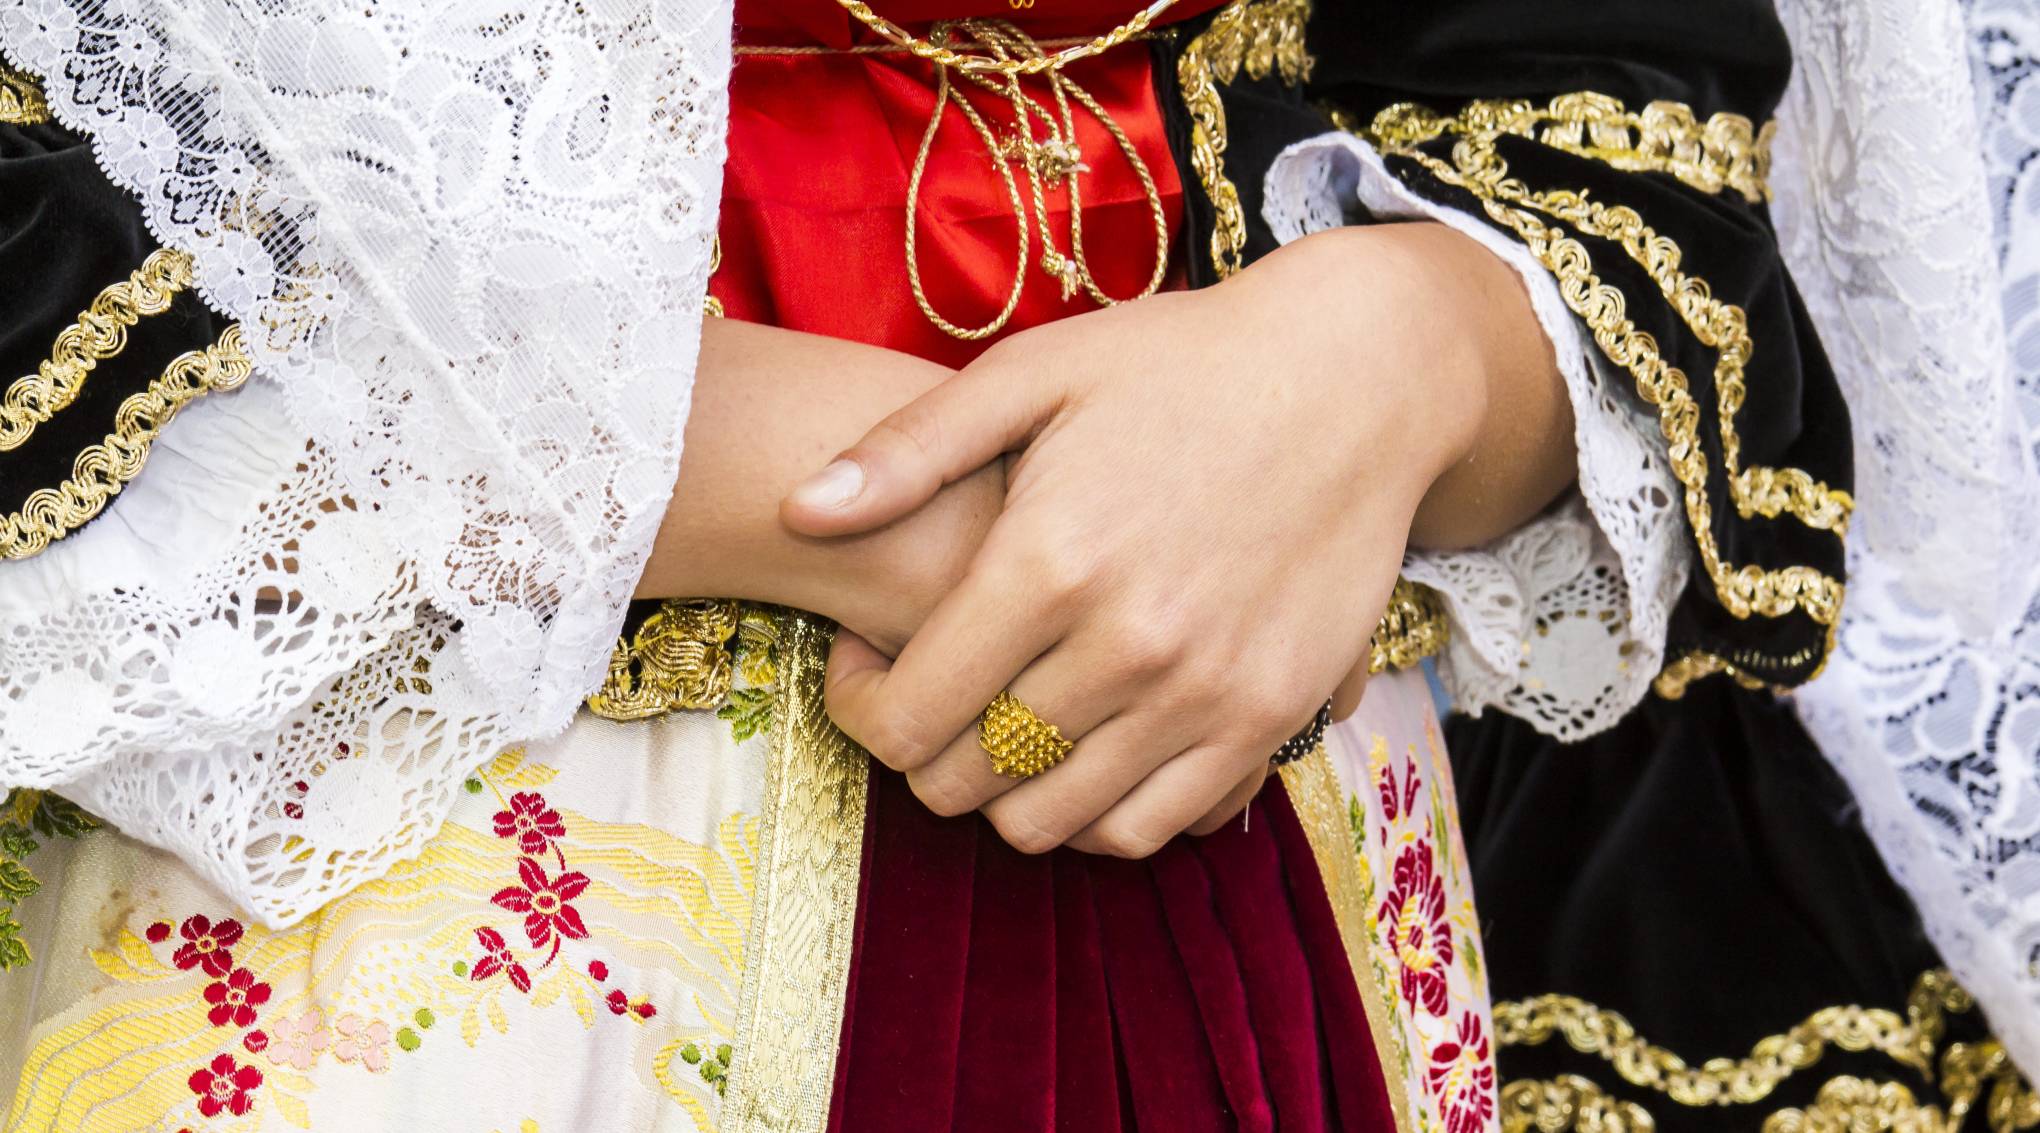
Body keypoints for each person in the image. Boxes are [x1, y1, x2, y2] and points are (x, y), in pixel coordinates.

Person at [0, 0, 1984, 1130]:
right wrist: (865, 492)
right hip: (368, 767)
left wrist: (1399, 355)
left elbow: (1613, 96)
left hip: (1259, 805)